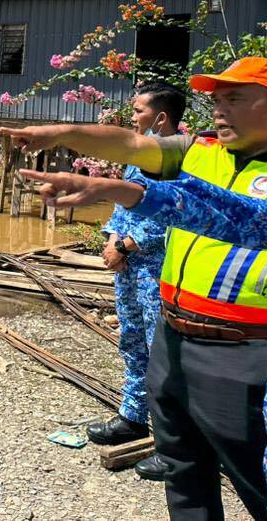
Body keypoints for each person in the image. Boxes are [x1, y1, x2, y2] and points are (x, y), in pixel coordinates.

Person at [19, 67, 267, 521]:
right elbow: (228, 212)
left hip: (243, 349)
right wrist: (111, 181)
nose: (219, 109)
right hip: (175, 336)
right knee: (184, 474)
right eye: (217, 100)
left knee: (255, 483)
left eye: (233, 99)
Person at [87, 82, 186, 485]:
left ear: (161, 117)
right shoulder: (138, 153)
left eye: (139, 109)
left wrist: (126, 246)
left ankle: (172, 443)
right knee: (131, 340)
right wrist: (112, 240)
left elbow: (174, 217)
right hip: (128, 268)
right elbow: (121, 204)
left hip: (155, 270)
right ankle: (133, 415)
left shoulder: (178, 160)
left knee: (161, 353)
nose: (132, 115)